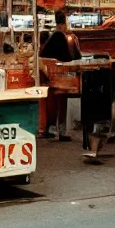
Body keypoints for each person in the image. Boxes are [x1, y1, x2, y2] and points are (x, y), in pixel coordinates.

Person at [39, 11, 81, 140]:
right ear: (65, 22)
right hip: (62, 77)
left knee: (52, 105)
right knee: (62, 104)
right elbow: (73, 56)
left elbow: (43, 54)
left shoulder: (53, 37)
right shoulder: (64, 37)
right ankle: (61, 130)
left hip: (51, 77)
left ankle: (51, 128)